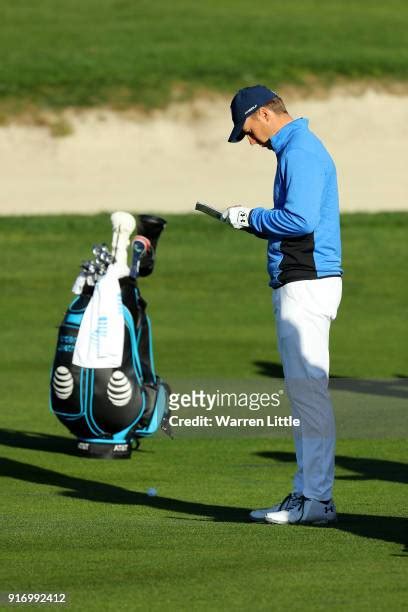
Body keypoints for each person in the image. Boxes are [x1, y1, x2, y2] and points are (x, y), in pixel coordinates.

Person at [222, 85, 342, 525]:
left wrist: (249, 218)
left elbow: (300, 220)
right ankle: (308, 494)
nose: (250, 140)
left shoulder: (301, 151)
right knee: (304, 394)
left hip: (306, 280)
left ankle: (316, 501)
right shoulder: (296, 149)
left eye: (248, 129)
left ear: (264, 115)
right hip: (302, 280)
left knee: (308, 394)